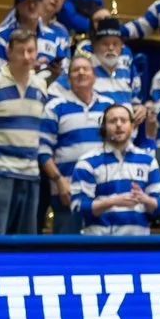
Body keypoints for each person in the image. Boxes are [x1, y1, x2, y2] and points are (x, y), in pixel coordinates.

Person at [0, 28, 56, 235]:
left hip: (30, 173)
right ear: (8, 52)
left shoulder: (40, 85)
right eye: (21, 51)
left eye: (31, 51)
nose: (27, 57)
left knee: (25, 242)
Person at [71, 102, 160, 236]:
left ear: (132, 126)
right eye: (113, 121)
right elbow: (78, 208)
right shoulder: (87, 163)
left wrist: (145, 199)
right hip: (99, 244)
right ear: (103, 128)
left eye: (123, 120)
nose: (118, 125)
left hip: (139, 243)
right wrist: (113, 201)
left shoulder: (148, 161)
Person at [47, 49, 111, 231]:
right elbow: (43, 152)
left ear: (94, 76)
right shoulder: (55, 107)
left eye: (85, 69)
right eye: (75, 70)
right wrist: (59, 181)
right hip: (67, 190)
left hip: (103, 192)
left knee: (101, 253)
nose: (81, 73)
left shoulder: (108, 107)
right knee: (66, 253)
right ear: (68, 79)